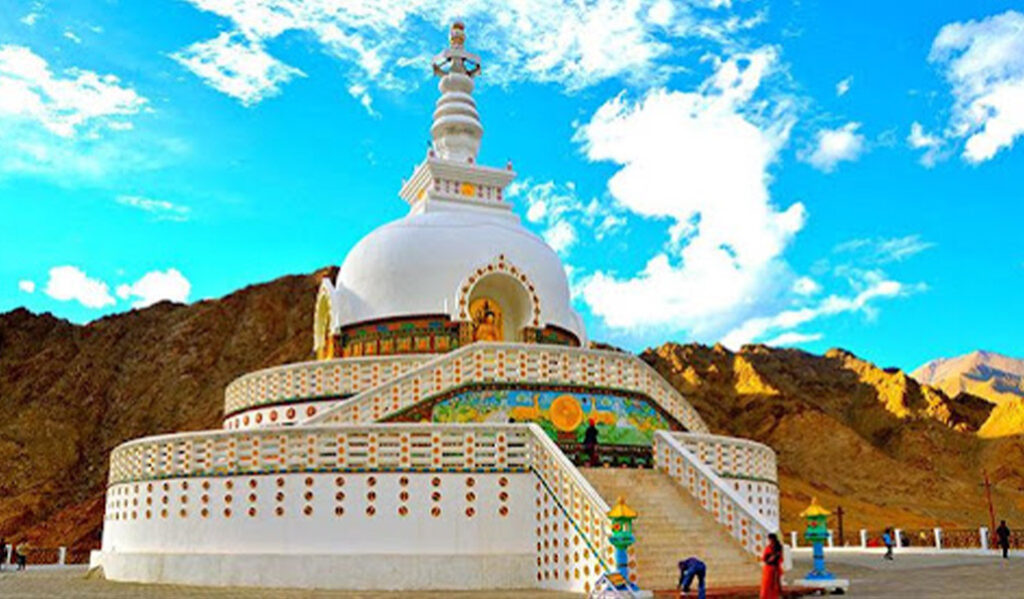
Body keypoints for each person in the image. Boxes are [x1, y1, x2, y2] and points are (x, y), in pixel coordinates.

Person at [760, 533, 783, 599]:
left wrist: (770, 559)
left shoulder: (774, 547)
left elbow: (766, 559)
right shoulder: (772, 547)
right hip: (772, 567)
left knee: (771, 583)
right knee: (772, 583)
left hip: (772, 567)